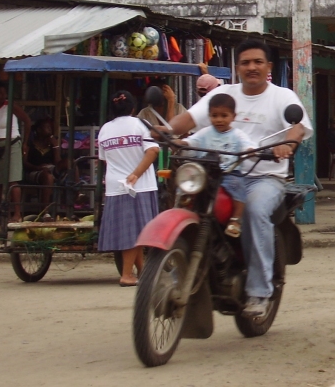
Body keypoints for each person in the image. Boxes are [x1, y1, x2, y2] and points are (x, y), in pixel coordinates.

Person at [166, 39, 313, 318]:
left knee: (255, 210)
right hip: (216, 174)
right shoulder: (223, 95)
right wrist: (166, 130)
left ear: (268, 66)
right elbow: (188, 120)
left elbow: (297, 127)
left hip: (263, 177)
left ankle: (259, 292)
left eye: (258, 62)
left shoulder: (282, 97)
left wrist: (287, 145)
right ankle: (172, 275)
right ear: (237, 67)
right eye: (245, 62)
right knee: (181, 200)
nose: (251, 67)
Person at [97, 91, 160, 287]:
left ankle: (142, 272)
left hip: (116, 186)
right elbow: (153, 151)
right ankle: (126, 274)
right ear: (133, 108)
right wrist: (136, 174)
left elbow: (104, 159)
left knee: (135, 231)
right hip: (139, 186)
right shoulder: (140, 124)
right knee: (136, 233)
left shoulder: (105, 129)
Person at [178, 93, 256, 238]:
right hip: (205, 173)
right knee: (185, 183)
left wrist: (249, 151)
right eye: (214, 116)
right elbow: (192, 141)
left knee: (238, 185)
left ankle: (236, 219)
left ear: (233, 116)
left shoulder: (238, 135)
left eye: (224, 115)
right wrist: (182, 143)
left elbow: (247, 145)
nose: (219, 120)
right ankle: (181, 208)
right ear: (209, 116)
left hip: (229, 173)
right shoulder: (205, 132)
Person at [0, 81, 31, 222]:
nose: (2, 96)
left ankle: (17, 213)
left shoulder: (10, 105)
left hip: (12, 143)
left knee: (13, 181)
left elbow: (27, 121)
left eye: (4, 93)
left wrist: (25, 143)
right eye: (0, 93)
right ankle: (2, 213)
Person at [23, 118, 65, 209]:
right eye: (46, 127)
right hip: (34, 170)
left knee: (70, 162)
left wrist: (55, 147)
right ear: (38, 130)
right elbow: (24, 163)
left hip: (51, 168)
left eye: (50, 127)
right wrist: (37, 168)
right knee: (47, 176)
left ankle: (76, 193)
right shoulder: (30, 144)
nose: (49, 129)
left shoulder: (51, 145)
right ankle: (45, 210)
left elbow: (57, 162)